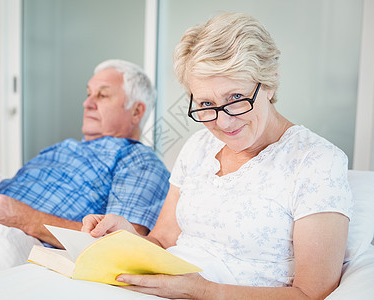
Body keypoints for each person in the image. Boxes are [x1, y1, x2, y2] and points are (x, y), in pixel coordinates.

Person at [82, 13, 352, 299]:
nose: (223, 123)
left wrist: (202, 291)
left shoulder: (316, 161)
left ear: (269, 83)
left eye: (236, 98)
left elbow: (312, 294)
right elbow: (161, 241)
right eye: (206, 103)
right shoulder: (199, 147)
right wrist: (128, 236)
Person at [0, 59, 170, 248]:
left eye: (102, 95)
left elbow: (126, 245)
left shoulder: (139, 160)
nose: (87, 103)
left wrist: (27, 219)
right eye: (88, 94)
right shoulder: (61, 148)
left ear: (137, 112)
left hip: (9, 240)